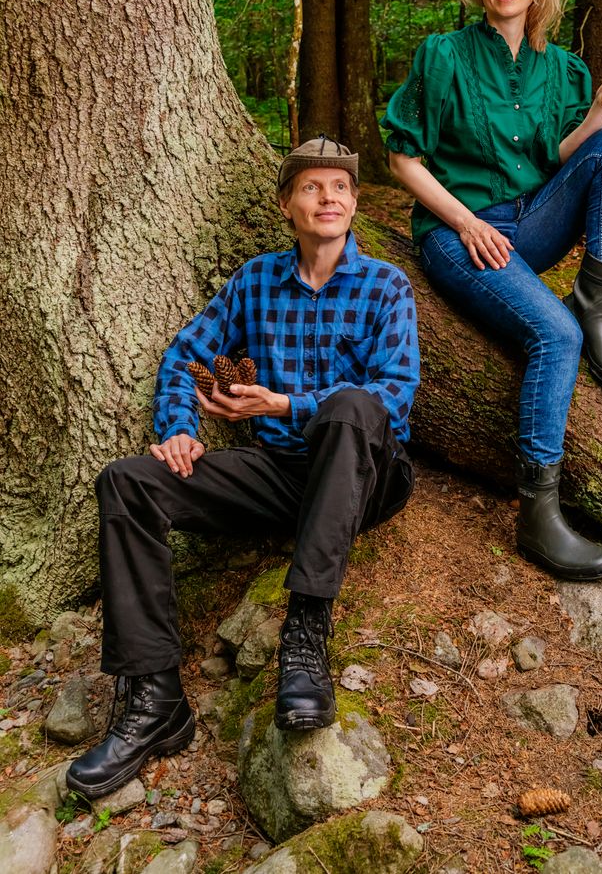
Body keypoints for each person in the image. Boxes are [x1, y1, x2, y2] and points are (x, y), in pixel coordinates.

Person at [66, 136, 420, 801]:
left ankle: (305, 637)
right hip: (280, 473)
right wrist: (178, 428)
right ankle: (155, 697)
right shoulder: (256, 281)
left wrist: (285, 402)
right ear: (287, 204)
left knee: (350, 406)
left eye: (340, 187)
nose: (329, 197)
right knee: (127, 482)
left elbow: (394, 397)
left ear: (353, 203)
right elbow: (185, 355)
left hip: (365, 475)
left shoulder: (386, 285)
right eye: (312, 186)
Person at [383, 0, 602, 583]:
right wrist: (465, 220)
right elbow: (401, 157)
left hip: (532, 221)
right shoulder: (443, 55)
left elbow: (559, 157)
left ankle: (594, 302)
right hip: (458, 234)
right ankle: (538, 512)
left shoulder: (563, 68)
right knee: (554, 335)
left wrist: (599, 107)